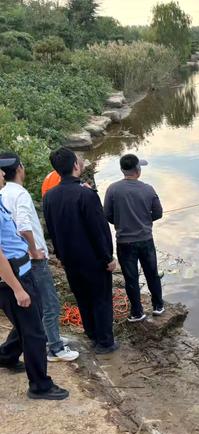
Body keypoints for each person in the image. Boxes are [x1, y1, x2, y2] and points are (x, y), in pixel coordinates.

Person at [0, 156, 68, 400]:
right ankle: (40, 385)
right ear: (20, 168)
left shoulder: (2, 198)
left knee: (28, 322)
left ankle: (6, 356)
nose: (2, 175)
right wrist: (18, 288)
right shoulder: (16, 195)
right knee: (34, 332)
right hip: (15, 276)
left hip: (21, 269)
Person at [43, 148, 118, 354]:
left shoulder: (49, 196)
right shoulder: (86, 194)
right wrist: (108, 257)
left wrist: (59, 255)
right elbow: (99, 230)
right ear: (76, 166)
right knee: (101, 298)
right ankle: (105, 342)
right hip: (92, 259)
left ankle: (92, 334)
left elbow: (51, 230)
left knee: (83, 298)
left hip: (69, 259)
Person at [104, 154, 164, 323]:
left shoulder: (112, 189)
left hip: (124, 242)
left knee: (131, 278)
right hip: (146, 240)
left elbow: (107, 214)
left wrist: (122, 222)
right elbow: (158, 213)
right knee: (152, 273)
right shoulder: (148, 189)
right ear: (138, 170)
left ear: (123, 170)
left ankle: (137, 312)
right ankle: (158, 306)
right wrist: (145, 221)